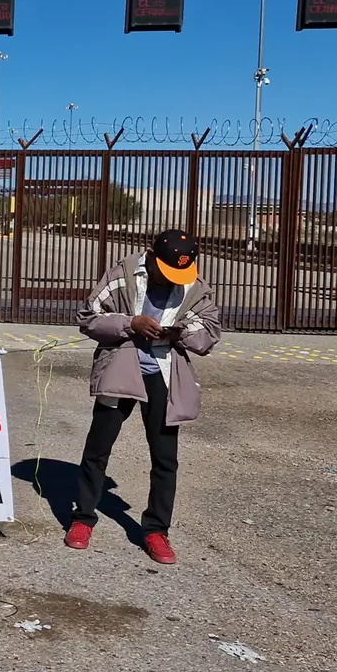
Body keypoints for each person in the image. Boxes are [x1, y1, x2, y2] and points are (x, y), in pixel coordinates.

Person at [67, 229, 221, 565]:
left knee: (165, 457)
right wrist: (130, 323)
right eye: (165, 271)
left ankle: (156, 530)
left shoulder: (194, 285)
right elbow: (88, 317)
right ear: (151, 257)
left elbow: (210, 331)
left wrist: (183, 333)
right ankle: (82, 519)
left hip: (164, 374)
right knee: (98, 447)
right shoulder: (122, 274)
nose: (171, 280)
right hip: (121, 368)